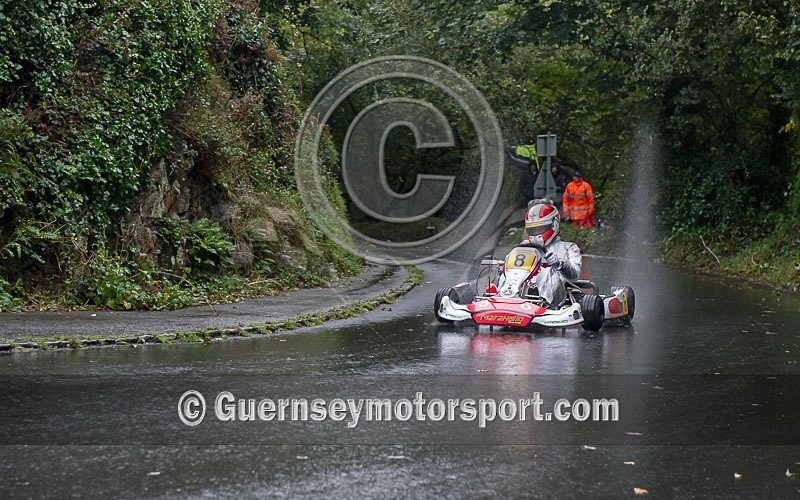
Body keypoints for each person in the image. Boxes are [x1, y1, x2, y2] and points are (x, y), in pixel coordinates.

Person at [494, 201, 582, 308]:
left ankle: (542, 304)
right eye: (532, 229)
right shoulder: (522, 247)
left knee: (547, 270)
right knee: (504, 272)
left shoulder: (568, 247)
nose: (536, 232)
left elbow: (574, 276)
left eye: (540, 228)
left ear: (553, 225)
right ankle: (500, 297)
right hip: (522, 290)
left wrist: (560, 265)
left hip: (556, 295)